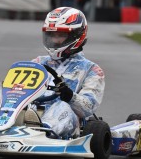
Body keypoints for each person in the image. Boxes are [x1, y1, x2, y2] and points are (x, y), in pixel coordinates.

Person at [30, 7, 105, 138]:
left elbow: (89, 107)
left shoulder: (91, 70)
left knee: (62, 106)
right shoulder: (37, 62)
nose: (55, 40)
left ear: (76, 35)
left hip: (68, 118)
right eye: (52, 35)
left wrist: (70, 96)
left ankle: (42, 131)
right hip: (33, 111)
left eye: (61, 35)